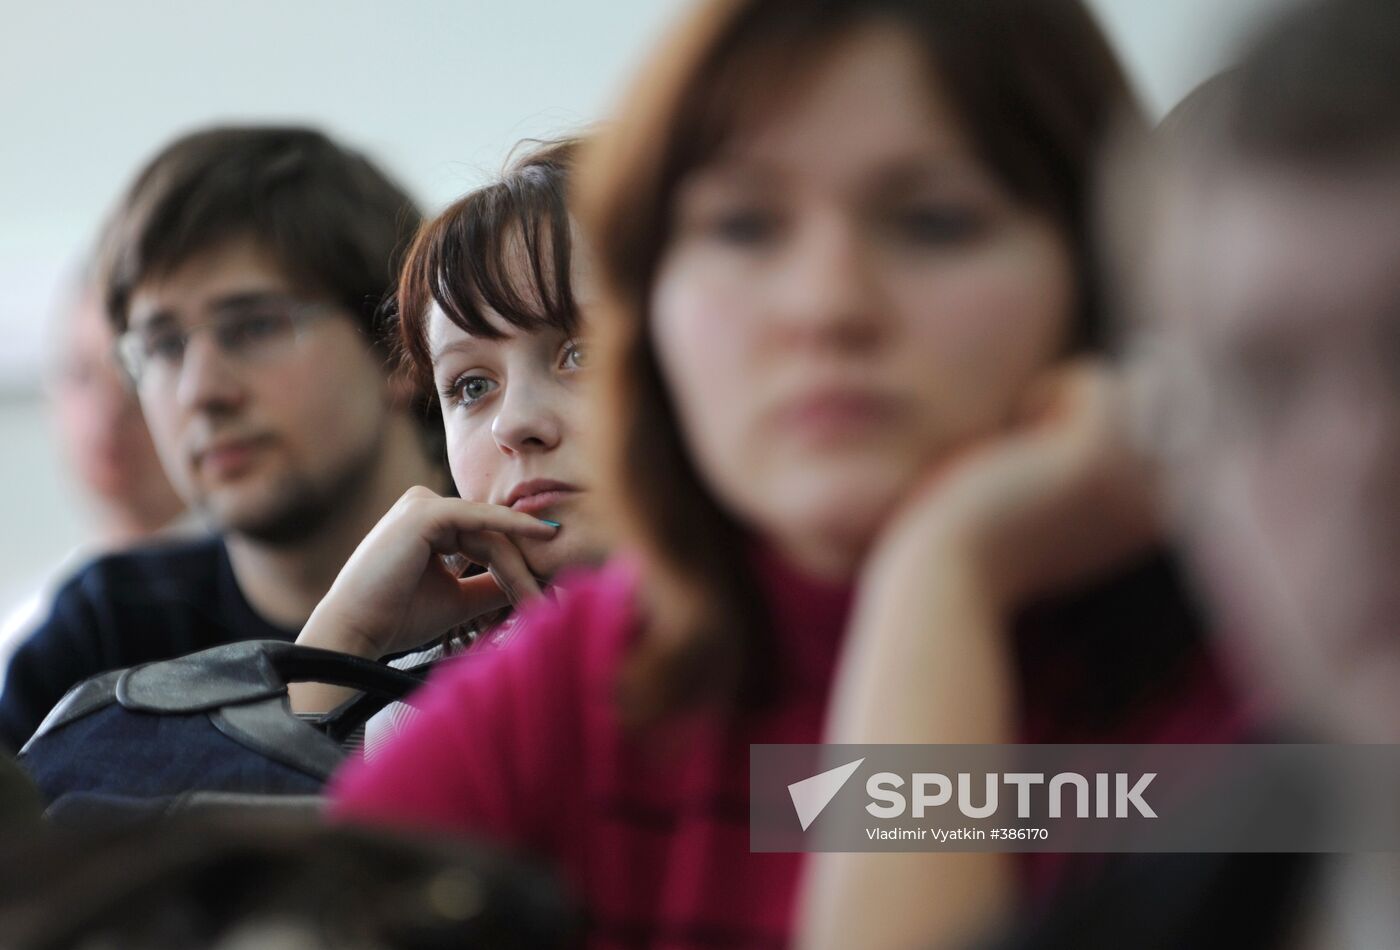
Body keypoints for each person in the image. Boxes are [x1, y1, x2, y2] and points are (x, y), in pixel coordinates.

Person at [326, 2, 1242, 947]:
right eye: (746, 226)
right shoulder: (566, 694)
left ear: (1100, 277)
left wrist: (941, 574)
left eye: (932, 220)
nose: (825, 303)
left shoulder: (1256, 675)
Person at [0, 126, 443, 751]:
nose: (198, 391)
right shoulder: (96, 644)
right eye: (162, 345)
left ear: (399, 349)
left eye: (255, 326)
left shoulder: (537, 602)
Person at [290, 137, 610, 756]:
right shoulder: (435, 707)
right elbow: (265, 845)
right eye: (472, 386)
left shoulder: (834, 645)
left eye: (581, 355)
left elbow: (843, 836)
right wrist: (342, 642)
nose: (513, 424)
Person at [0, 270, 189, 688]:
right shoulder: (28, 629)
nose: (107, 412)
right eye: (81, 373)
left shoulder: (261, 602)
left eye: (132, 374)